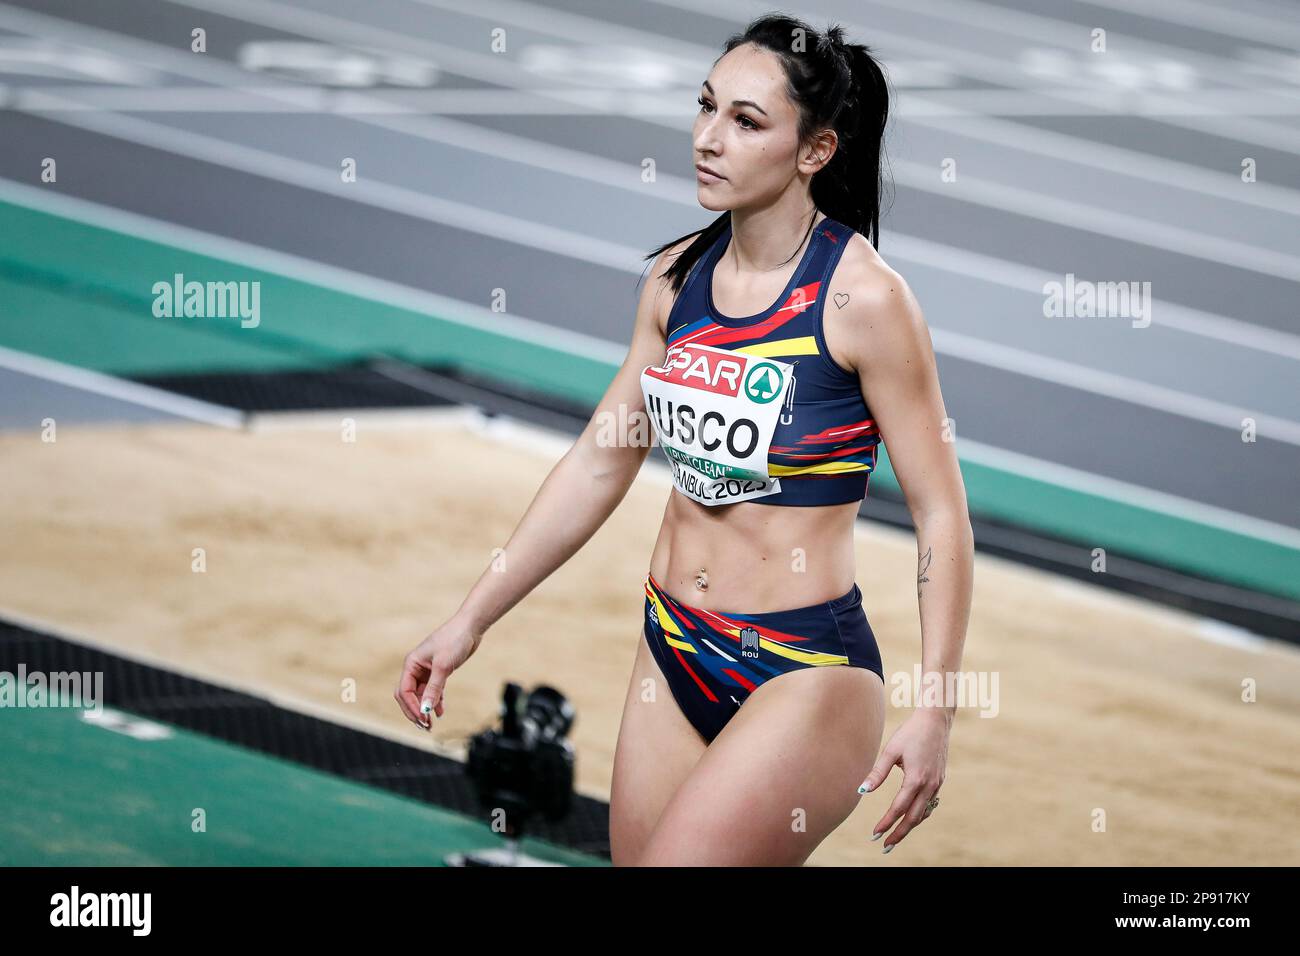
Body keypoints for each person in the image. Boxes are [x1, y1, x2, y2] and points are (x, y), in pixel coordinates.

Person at [395, 13, 973, 866]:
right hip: (671, 647)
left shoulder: (865, 302)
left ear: (815, 151)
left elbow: (943, 517)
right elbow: (601, 460)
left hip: (805, 671)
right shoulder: (676, 281)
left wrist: (936, 712)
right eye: (706, 108)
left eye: (746, 122)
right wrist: (469, 621)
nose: (708, 139)